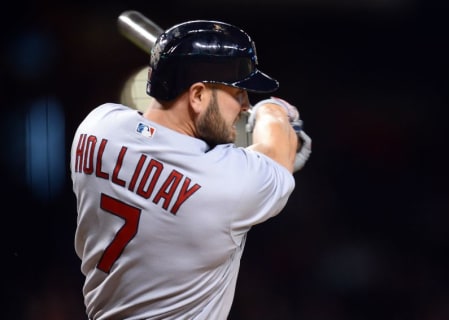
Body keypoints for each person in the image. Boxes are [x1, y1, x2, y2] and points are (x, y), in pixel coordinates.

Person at [70, 19, 311, 320]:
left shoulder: (97, 127)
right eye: (238, 94)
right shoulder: (229, 184)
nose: (246, 105)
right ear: (197, 96)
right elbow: (276, 151)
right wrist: (274, 112)